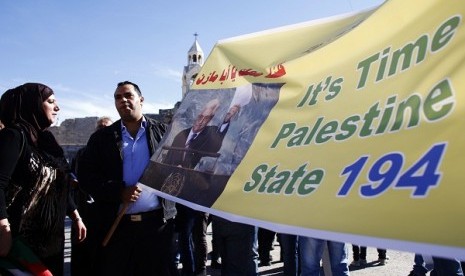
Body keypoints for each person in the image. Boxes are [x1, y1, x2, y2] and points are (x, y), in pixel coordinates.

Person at [77, 81, 177, 275]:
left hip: (157, 227)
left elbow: (178, 172)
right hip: (117, 228)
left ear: (141, 100)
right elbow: (86, 178)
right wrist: (118, 191)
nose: (123, 100)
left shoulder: (164, 134)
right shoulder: (102, 139)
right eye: (118, 97)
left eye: (128, 95)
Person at [0, 83, 86, 276]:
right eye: (50, 101)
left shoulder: (47, 141)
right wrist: (3, 228)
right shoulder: (14, 136)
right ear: (32, 104)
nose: (57, 107)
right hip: (19, 241)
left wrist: (75, 215)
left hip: (51, 242)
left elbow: (59, 183)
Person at [70, 116, 113, 276]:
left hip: (107, 213)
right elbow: (73, 175)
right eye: (100, 127)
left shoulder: (117, 154)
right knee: (82, 255)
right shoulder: (83, 153)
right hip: (84, 209)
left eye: (106, 128)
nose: (103, 130)